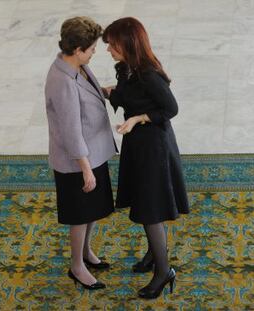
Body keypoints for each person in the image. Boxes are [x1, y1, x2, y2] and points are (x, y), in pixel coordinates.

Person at [102, 17, 190, 299]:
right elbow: (132, 96)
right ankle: (154, 254)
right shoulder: (127, 69)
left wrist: (139, 118)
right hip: (139, 145)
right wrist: (111, 92)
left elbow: (171, 109)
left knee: (151, 208)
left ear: (127, 44)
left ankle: (164, 272)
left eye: (112, 45)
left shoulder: (148, 74)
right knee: (146, 200)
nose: (108, 50)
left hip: (154, 147)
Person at [44, 16, 118, 290]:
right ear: (77, 50)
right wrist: (85, 169)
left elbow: (87, 95)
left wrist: (106, 92)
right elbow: (71, 131)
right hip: (77, 162)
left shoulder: (78, 67)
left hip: (92, 154)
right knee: (79, 214)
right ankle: (76, 266)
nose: (95, 51)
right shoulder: (62, 81)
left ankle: (86, 253)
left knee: (92, 211)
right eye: (91, 48)